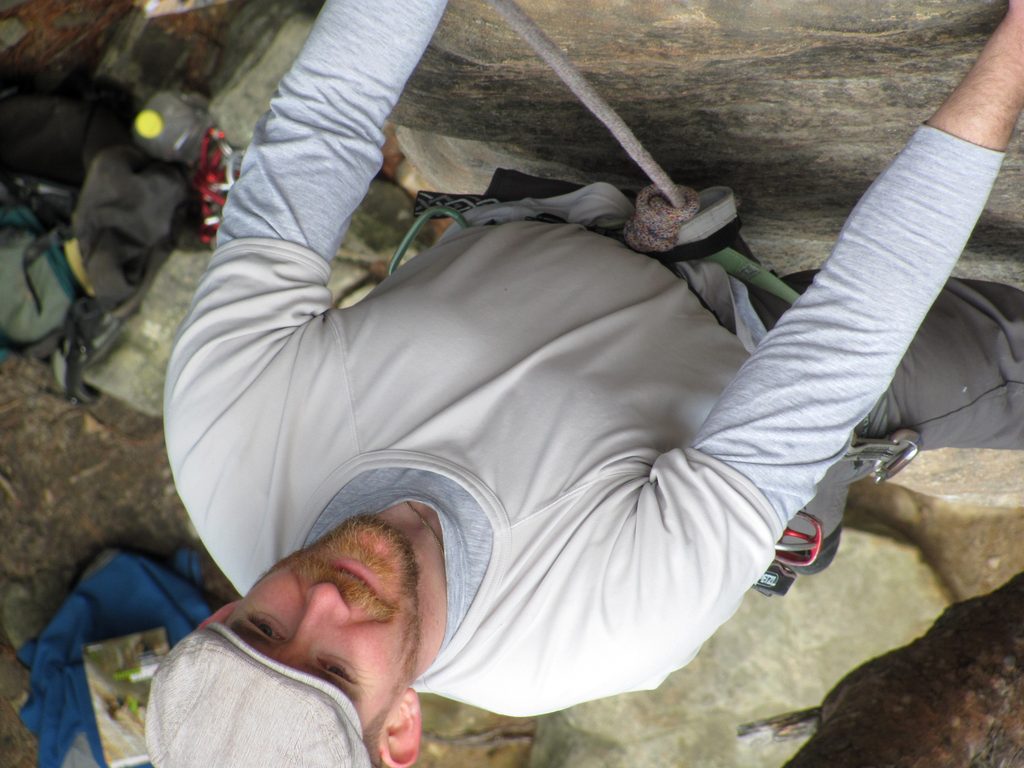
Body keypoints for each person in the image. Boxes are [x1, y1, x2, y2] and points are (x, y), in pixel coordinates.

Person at [145, 0, 1024, 765]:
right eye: (334, 668)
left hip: (550, 224)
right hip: (754, 356)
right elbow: (842, 343)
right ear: (399, 731)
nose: (324, 601)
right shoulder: (596, 630)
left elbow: (324, 123)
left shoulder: (224, 432)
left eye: (263, 627)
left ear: (216, 620)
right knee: (978, 369)